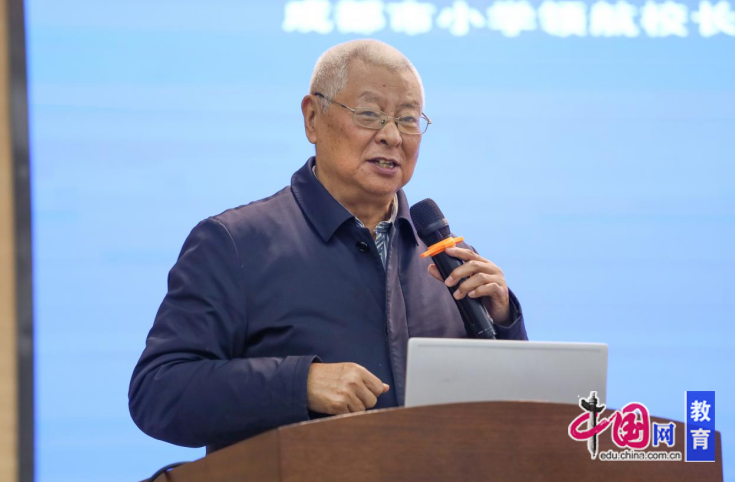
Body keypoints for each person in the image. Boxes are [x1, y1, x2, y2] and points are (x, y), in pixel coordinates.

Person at [129, 39, 528, 453]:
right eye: (370, 114)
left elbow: (512, 418)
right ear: (312, 118)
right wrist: (299, 384)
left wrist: (503, 322)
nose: (392, 136)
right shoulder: (234, 243)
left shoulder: (446, 261)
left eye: (408, 119)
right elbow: (158, 392)